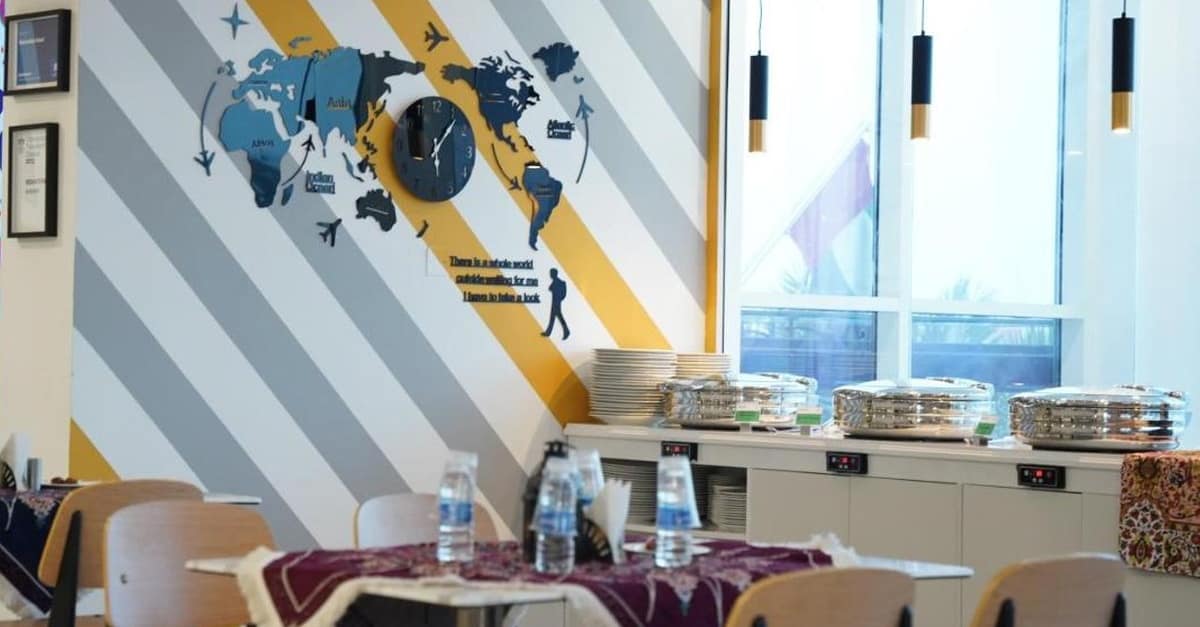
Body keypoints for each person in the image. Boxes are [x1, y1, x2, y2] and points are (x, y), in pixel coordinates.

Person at [542, 268, 570, 340]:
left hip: (556, 303)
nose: (550, 275)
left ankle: (566, 331)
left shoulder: (557, 282)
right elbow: (550, 288)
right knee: (553, 318)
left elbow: (551, 289)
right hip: (555, 302)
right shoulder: (556, 282)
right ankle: (549, 332)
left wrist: (559, 300)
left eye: (551, 273)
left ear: (554, 274)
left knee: (558, 317)